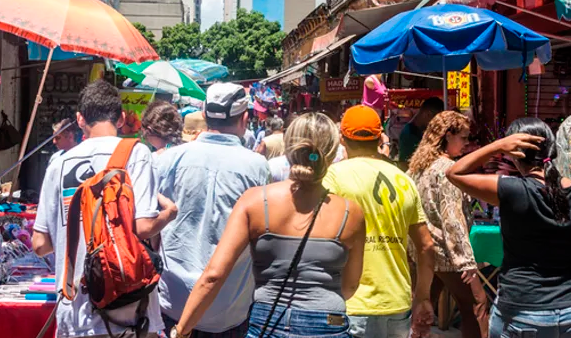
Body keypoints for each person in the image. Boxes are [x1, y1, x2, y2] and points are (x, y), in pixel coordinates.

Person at [174, 113, 367, 338]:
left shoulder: (255, 201)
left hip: (268, 321)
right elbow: (351, 286)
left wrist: (182, 330)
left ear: (288, 147)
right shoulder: (350, 212)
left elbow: (213, 276)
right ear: (334, 152)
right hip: (328, 322)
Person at [446, 118, 571, 338]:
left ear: (514, 154)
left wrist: (497, 146)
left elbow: (454, 173)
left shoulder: (510, 190)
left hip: (520, 312)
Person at [32, 80, 177, 338]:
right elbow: (142, 228)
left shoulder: (59, 164)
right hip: (128, 311)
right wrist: (169, 214)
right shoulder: (137, 153)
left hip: (74, 311)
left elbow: (40, 244)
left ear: (79, 120)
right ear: (121, 118)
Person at [156, 83, 271, 338]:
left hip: (173, 303)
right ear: (244, 118)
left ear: (205, 116)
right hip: (228, 308)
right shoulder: (258, 167)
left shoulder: (168, 159)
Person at [324, 104, 435, 338]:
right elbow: (426, 246)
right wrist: (423, 297)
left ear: (342, 140)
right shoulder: (403, 180)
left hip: (350, 303)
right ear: (380, 138)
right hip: (397, 302)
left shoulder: (333, 176)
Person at [409, 111, 488, 338]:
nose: (467, 144)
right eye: (463, 138)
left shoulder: (416, 167)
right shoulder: (448, 171)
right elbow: (453, 220)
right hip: (445, 253)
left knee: (422, 308)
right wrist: (467, 263)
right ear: (447, 136)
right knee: (476, 304)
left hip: (421, 251)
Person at [397, 98, 444, 168]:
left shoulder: (424, 131)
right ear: (428, 114)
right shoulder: (409, 133)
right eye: (436, 118)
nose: (437, 123)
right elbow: (404, 163)